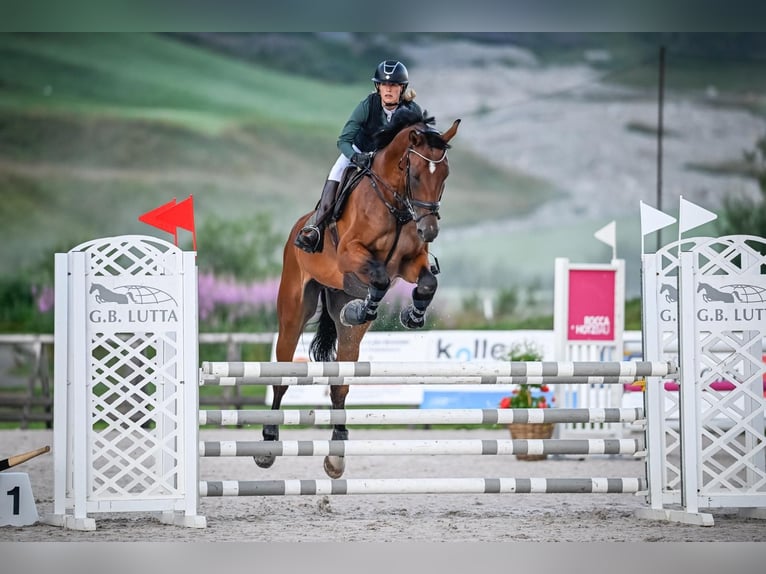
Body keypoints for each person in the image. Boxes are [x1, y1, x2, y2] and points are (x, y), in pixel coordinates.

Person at [294, 59, 424, 253]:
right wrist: (355, 157)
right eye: (384, 85)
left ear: (402, 88)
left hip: (391, 162)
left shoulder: (413, 111)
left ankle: (421, 242)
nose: (388, 90)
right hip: (359, 151)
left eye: (394, 85)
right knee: (337, 172)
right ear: (378, 87)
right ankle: (316, 227)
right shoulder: (367, 106)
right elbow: (343, 140)